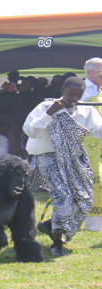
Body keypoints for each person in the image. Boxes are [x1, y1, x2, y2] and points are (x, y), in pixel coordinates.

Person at [23, 77, 102, 256]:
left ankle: (51, 225)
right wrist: (50, 112)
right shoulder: (45, 107)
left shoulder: (87, 111)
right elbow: (30, 130)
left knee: (85, 199)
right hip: (49, 157)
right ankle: (57, 243)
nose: (73, 98)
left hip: (75, 159)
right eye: (70, 94)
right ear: (62, 89)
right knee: (64, 198)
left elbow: (99, 132)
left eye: (78, 95)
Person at [81, 57, 102, 231]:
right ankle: (94, 223)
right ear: (90, 72)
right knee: (93, 180)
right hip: (87, 144)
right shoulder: (81, 90)